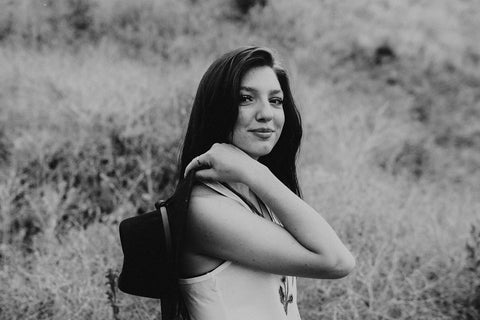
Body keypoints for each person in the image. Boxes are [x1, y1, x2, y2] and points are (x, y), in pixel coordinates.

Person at [170, 46, 355, 320]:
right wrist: (255, 173)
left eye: (276, 101)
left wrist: (252, 174)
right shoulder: (205, 209)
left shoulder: (253, 197)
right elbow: (337, 261)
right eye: (246, 98)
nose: (266, 113)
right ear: (216, 109)